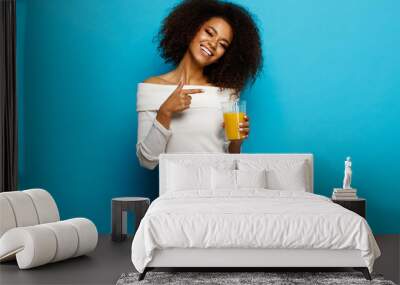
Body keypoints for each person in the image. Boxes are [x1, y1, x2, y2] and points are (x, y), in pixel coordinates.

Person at [136, 0, 263, 169]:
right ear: (192, 28)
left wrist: (236, 142)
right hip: (176, 193)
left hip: (221, 191)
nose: (212, 44)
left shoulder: (226, 94)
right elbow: (147, 161)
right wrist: (165, 112)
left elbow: (232, 163)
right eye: (209, 32)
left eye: (222, 44)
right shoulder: (152, 88)